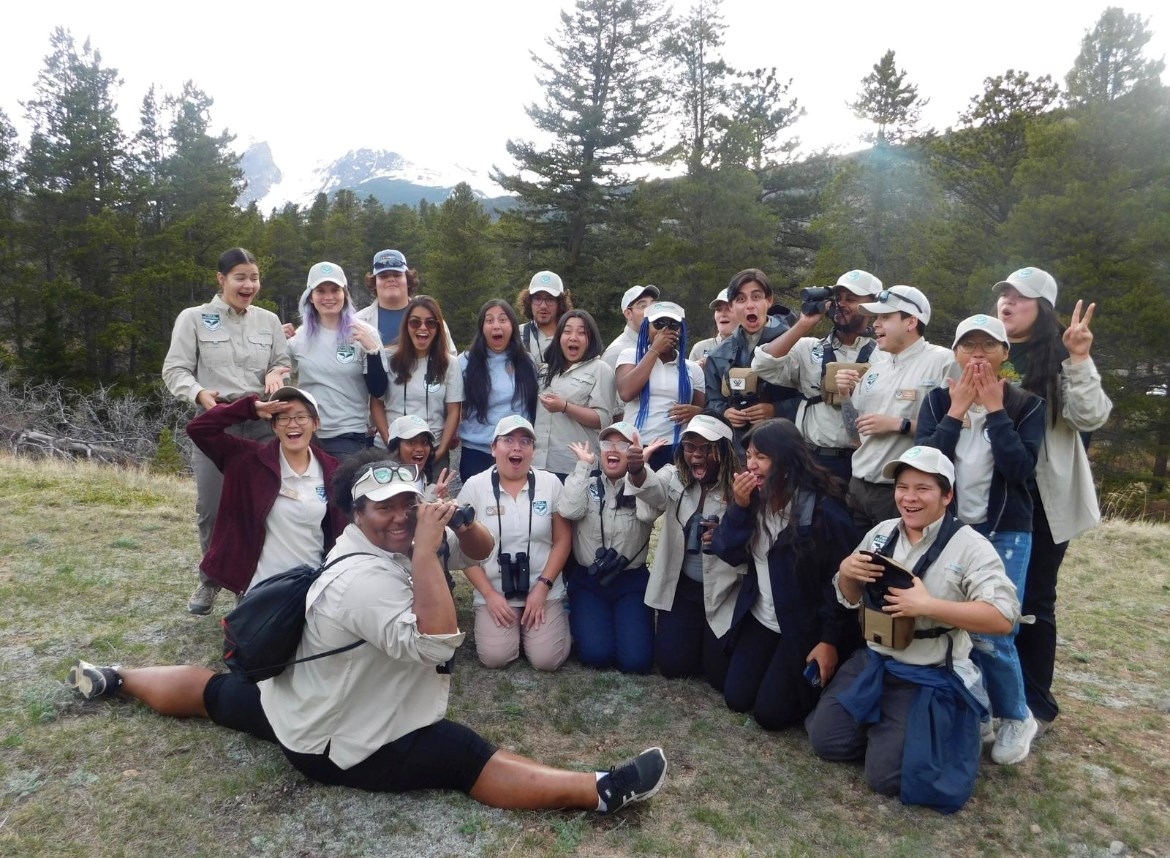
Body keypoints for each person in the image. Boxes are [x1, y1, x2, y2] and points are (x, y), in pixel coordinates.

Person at [65, 450, 667, 814]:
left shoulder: (394, 539)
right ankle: (600, 791)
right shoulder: (363, 579)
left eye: (408, 502)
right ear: (354, 515)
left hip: (298, 707)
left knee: (215, 694)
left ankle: (115, 678)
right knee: (461, 754)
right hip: (338, 746)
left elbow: (477, 548)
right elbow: (436, 642)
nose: (402, 515)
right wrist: (430, 553)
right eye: (385, 507)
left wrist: (457, 519)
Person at [805, 447, 1019, 814]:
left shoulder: (970, 547)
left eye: (923, 488)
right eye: (902, 487)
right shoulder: (881, 533)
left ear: (947, 495)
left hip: (928, 674)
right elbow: (848, 598)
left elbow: (1002, 617)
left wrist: (928, 606)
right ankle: (891, 732)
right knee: (825, 742)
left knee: (884, 779)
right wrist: (847, 573)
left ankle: (916, 733)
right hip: (875, 661)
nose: (909, 497)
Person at [916, 313, 1046, 765]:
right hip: (951, 528)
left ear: (1004, 354)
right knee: (953, 625)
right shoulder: (937, 400)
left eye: (988, 346)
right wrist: (956, 411)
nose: (977, 355)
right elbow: (925, 460)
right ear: (954, 353)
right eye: (967, 346)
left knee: (996, 628)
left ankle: (1016, 715)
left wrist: (993, 410)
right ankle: (981, 709)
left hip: (1005, 529)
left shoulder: (1025, 405)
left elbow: (1021, 470)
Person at [994, 267, 1112, 736]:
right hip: (992, 492)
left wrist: (1079, 358)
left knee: (1034, 599)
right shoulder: (986, 348)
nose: (1008, 302)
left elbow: (1090, 416)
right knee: (989, 595)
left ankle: (1035, 703)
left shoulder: (1061, 355)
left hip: (1040, 498)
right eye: (1004, 294)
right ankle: (992, 692)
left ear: (1041, 308)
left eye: (1020, 297)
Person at [162, 247, 291, 615]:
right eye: (240, 277)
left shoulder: (268, 321)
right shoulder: (194, 318)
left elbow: (282, 361)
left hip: (263, 421)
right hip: (218, 424)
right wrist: (199, 393)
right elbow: (175, 370)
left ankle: (249, 582)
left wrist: (275, 373)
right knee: (213, 507)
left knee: (262, 504)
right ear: (221, 280)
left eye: (254, 277)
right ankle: (211, 578)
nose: (249, 284)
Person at [709, 419, 862, 730]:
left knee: (771, 715)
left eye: (761, 457)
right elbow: (726, 550)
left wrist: (829, 640)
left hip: (803, 627)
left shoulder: (823, 513)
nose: (751, 465)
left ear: (787, 462)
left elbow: (845, 586)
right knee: (736, 698)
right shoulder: (751, 500)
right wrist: (739, 508)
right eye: (749, 455)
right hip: (762, 618)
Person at [186, 386, 349, 595]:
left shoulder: (333, 470)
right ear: (274, 426)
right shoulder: (247, 460)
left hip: (312, 585)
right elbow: (198, 429)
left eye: (301, 417)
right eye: (283, 418)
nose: (292, 424)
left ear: (316, 423)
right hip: (261, 588)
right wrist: (248, 408)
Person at [628, 414, 746, 689]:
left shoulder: (738, 487)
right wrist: (637, 470)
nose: (696, 454)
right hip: (683, 589)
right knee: (673, 667)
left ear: (724, 451)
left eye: (705, 448)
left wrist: (727, 535)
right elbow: (654, 492)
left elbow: (750, 539)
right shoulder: (675, 476)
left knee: (718, 677)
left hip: (723, 592)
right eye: (690, 446)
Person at [833, 285, 957, 532]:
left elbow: (958, 429)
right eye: (877, 317)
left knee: (896, 567)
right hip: (858, 487)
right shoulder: (877, 368)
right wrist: (845, 396)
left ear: (911, 322)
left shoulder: (943, 361)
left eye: (885, 317)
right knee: (859, 565)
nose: (875, 324)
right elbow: (854, 434)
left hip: (900, 493)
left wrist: (898, 425)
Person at [458, 416, 572, 671]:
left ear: (533, 450)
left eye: (525, 441)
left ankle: (556, 615)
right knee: (495, 658)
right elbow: (462, 549)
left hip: (543, 586)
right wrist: (489, 595)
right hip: (495, 591)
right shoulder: (474, 487)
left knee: (547, 661)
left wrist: (543, 587)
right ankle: (514, 626)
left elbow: (563, 540)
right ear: (493, 448)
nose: (516, 447)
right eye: (507, 440)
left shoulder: (550, 483)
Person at [752, 270, 883, 482]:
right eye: (837, 298)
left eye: (851, 299)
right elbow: (762, 365)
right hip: (812, 459)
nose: (841, 305)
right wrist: (804, 324)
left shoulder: (883, 356)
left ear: (872, 305)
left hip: (863, 461)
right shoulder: (808, 348)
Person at [559, 423, 669, 674]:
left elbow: (653, 507)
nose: (614, 450)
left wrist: (640, 470)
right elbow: (569, 510)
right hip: (590, 581)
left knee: (636, 663)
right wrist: (583, 465)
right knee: (596, 656)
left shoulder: (643, 486)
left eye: (623, 445)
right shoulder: (586, 483)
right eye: (608, 444)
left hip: (630, 582)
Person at [283, 262, 387, 458]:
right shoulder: (299, 337)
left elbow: (379, 390)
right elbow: (279, 377)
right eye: (320, 291)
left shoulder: (365, 333)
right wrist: (276, 343)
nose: (328, 297)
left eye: (335, 290)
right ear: (311, 297)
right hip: (307, 433)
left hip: (348, 435)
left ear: (345, 295)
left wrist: (373, 351)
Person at [703, 268, 798, 455]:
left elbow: (809, 399)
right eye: (740, 299)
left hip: (784, 452)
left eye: (756, 297)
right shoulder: (718, 355)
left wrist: (775, 409)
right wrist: (724, 412)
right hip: (738, 453)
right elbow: (710, 401)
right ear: (731, 307)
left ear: (768, 301)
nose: (749, 305)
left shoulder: (796, 345)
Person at [371, 295, 462, 474]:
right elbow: (376, 404)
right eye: (415, 322)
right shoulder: (387, 358)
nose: (423, 328)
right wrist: (391, 443)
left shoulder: (450, 363)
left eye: (430, 323)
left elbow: (454, 411)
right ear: (406, 325)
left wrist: (442, 449)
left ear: (438, 328)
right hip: (390, 450)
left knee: (432, 501)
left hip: (431, 451)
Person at [615, 302, 706, 469]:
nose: (665, 330)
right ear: (646, 328)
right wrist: (654, 350)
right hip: (635, 446)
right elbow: (626, 392)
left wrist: (697, 412)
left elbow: (700, 416)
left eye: (673, 325)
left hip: (675, 447)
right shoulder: (630, 356)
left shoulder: (692, 369)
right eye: (659, 324)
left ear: (681, 330)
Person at [458, 300, 540, 482]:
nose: (496, 325)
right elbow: (454, 407)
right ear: (482, 327)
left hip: (516, 451)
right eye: (489, 320)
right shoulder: (465, 362)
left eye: (503, 320)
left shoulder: (527, 362)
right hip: (477, 451)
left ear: (512, 326)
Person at [532, 310, 616, 479]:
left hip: (576, 465)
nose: (573, 337)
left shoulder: (600, 369)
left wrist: (565, 407)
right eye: (567, 331)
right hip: (539, 464)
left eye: (581, 333)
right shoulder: (545, 370)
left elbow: (602, 420)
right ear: (559, 337)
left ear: (591, 339)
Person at [355, 249, 456, 354]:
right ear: (374, 283)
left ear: (408, 280)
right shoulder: (359, 322)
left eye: (397, 274)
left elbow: (449, 357)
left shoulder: (431, 319)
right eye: (383, 276)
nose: (391, 279)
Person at [384, 414, 459, 501]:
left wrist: (436, 499)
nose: (420, 449)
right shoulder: (384, 486)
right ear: (396, 447)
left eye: (424, 442)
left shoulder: (431, 488)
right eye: (411, 442)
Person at [517, 271, 572, 371]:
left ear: (560, 303)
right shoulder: (516, 335)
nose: (543, 306)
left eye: (550, 299)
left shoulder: (572, 337)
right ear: (529, 301)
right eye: (537, 299)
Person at [602, 285, 660, 370]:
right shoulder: (615, 353)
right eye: (643, 306)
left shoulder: (657, 345)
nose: (651, 310)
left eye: (653, 305)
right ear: (628, 314)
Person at [688, 288, 735, 370]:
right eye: (718, 309)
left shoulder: (756, 348)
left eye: (729, 309)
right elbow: (689, 381)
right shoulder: (700, 348)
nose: (723, 314)